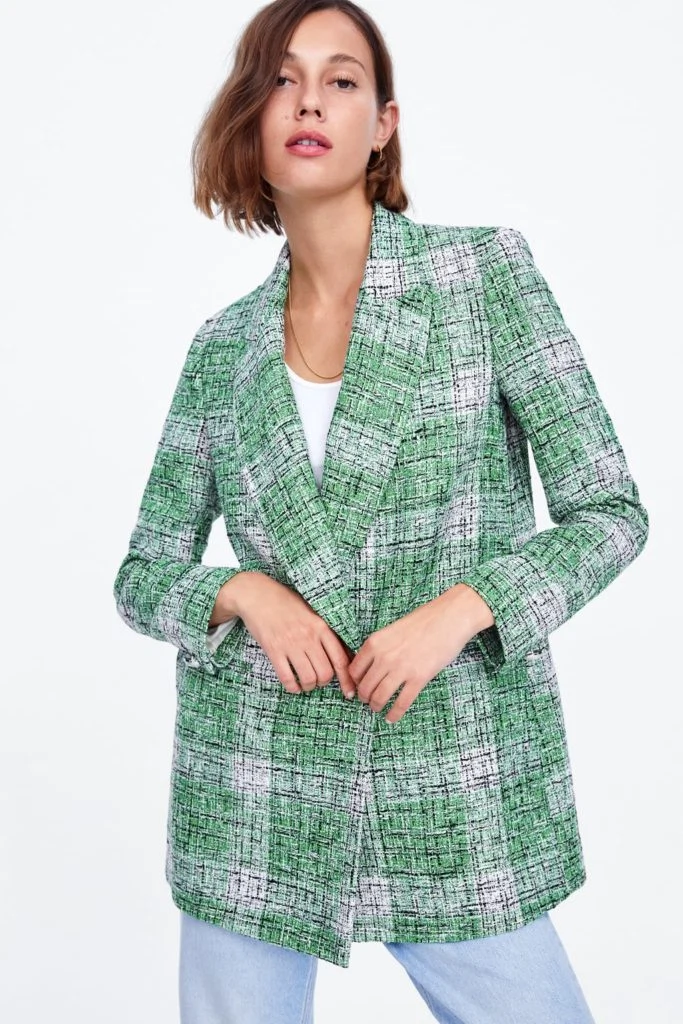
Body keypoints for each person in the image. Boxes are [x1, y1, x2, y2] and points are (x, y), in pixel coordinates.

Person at [112, 1, 649, 1021]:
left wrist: (460, 611)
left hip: (447, 771)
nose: (309, 100)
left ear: (383, 124)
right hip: (253, 786)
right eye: (280, 79)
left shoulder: (478, 277)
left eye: (341, 79)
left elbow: (608, 511)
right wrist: (242, 591)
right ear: (250, 120)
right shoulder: (222, 348)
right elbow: (143, 574)